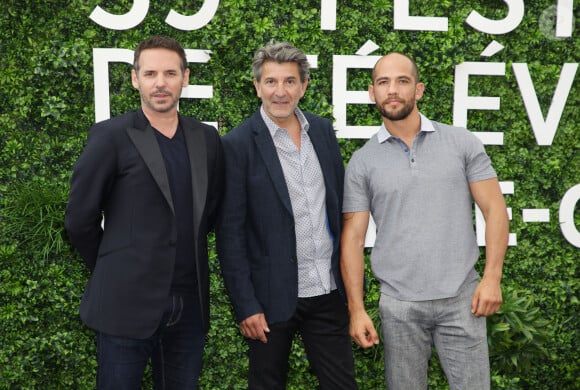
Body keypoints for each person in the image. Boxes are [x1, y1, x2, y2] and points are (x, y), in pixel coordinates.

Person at [340, 52, 509, 389]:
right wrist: (356, 309)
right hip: (399, 306)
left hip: (463, 300)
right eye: (383, 82)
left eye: (402, 81)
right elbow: (353, 240)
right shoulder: (362, 162)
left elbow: (495, 210)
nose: (393, 90)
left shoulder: (461, 142)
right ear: (371, 92)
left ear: (418, 90)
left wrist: (492, 278)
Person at [65, 36, 224, 389]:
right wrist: (114, 265)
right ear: (135, 79)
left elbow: (210, 211)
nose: (160, 82)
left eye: (170, 73)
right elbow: (79, 219)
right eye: (150, 73)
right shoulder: (110, 136)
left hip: (189, 307)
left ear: (185, 77)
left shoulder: (206, 140)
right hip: (125, 305)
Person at [215, 42, 358, 390]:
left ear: (303, 86)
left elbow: (337, 210)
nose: (280, 92)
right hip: (269, 297)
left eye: (290, 82)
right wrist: (246, 305)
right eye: (271, 82)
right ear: (257, 86)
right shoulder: (236, 144)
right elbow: (230, 234)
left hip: (326, 290)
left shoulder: (322, 132)